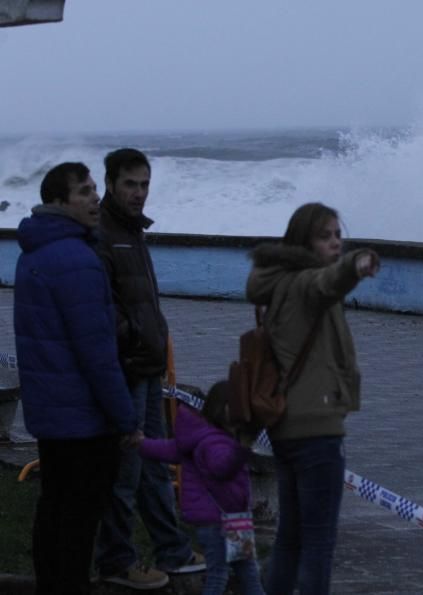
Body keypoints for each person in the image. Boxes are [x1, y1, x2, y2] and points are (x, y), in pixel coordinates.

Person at [14, 162, 138, 594]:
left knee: (53, 513)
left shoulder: (33, 253)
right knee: (78, 524)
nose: (95, 199)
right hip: (83, 419)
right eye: (84, 192)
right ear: (58, 202)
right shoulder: (78, 262)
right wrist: (125, 416)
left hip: (51, 413)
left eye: (92, 190)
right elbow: (98, 354)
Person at [245, 202, 379, 594]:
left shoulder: (278, 282)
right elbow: (330, 282)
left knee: (291, 536)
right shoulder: (307, 284)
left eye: (339, 235)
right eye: (325, 236)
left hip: (286, 427)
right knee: (319, 542)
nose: (335, 243)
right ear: (304, 243)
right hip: (317, 428)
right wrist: (356, 263)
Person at [94, 148, 204, 589]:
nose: (139, 193)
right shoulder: (103, 234)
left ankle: (172, 551)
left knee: (155, 466)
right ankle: (117, 562)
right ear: (110, 184)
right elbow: (106, 306)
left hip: (147, 365)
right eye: (130, 184)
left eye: (144, 184)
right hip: (128, 368)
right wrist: (137, 340)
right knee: (126, 473)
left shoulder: (131, 231)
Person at [138, 382, 265, 595]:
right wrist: (242, 450)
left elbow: (168, 449)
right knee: (227, 574)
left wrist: (142, 444)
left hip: (231, 520)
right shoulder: (215, 443)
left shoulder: (200, 439)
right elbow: (222, 467)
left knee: (243, 571)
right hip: (219, 522)